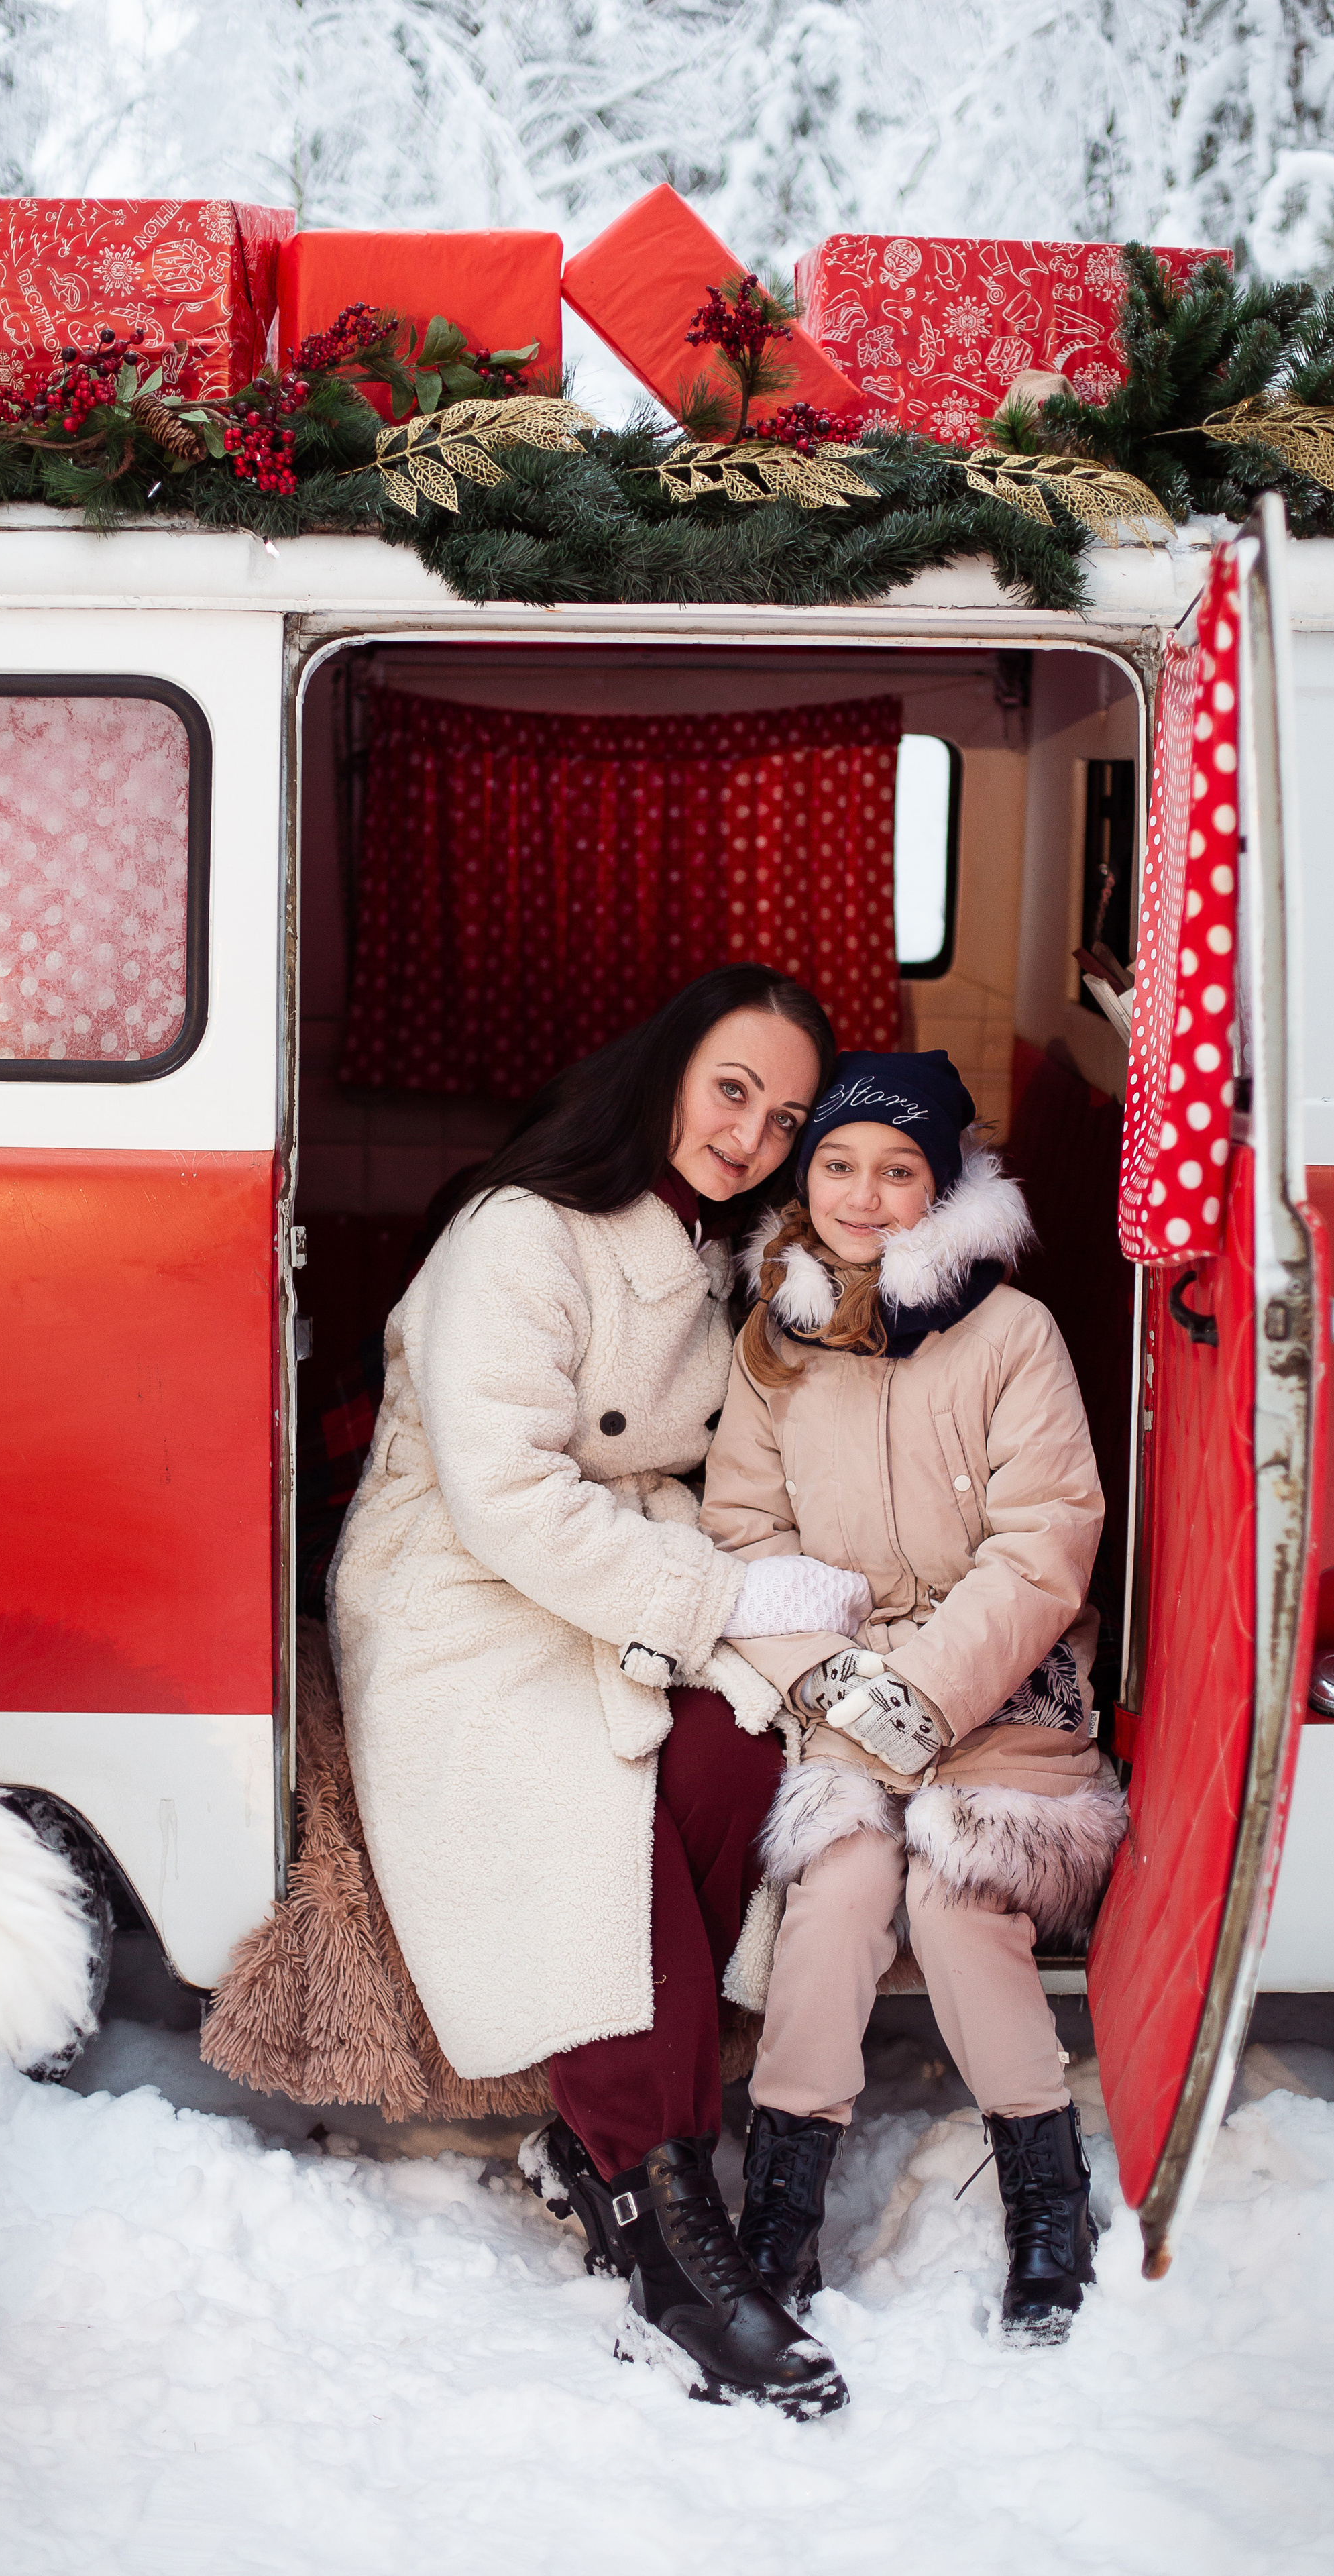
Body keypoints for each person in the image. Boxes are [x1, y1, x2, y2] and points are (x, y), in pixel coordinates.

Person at [331, 965, 858, 2418]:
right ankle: (659, 2215)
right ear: (672, 1070)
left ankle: (602, 2149)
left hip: (617, 1571)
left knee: (738, 1753)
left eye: (783, 1116)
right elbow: (501, 1495)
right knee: (587, 1828)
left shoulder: (720, 1258)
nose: (749, 1135)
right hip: (466, 1584)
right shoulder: (524, 1234)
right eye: (731, 1089)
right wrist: (718, 1598)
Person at [699, 1049, 1129, 2344]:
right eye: (839, 1164)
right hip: (845, 1680)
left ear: (945, 1188)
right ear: (807, 1175)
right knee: (834, 1895)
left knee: (956, 1900)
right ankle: (783, 2201)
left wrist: (931, 1692)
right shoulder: (776, 1338)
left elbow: (1046, 1535)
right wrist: (824, 1673)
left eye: (900, 1171)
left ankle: (1048, 2192)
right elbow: (741, 1524)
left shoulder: (1011, 1334)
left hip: (1004, 1684)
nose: (864, 1194)